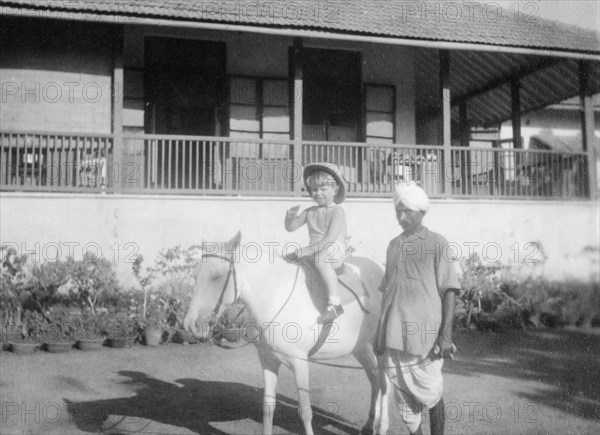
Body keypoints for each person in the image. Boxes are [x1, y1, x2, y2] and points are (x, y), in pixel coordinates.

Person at [375, 181, 461, 435]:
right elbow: (387, 292)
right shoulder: (393, 245)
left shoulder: (437, 243)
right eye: (398, 211)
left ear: (422, 212)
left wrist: (446, 335)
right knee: (403, 402)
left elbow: (450, 290)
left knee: (431, 393)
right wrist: (377, 333)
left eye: (408, 211)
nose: (401, 217)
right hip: (392, 336)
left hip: (424, 337)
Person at [284, 162, 348, 323]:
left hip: (333, 249)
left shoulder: (337, 211)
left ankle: (335, 303)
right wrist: (290, 218)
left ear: (335, 190)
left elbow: (329, 240)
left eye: (323, 189)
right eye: (314, 189)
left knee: (320, 259)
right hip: (315, 249)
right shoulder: (310, 211)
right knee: (288, 262)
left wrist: (305, 251)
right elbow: (291, 228)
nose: (318, 193)